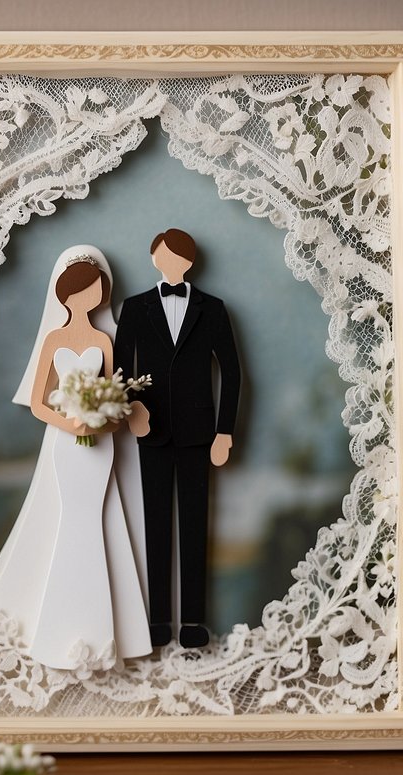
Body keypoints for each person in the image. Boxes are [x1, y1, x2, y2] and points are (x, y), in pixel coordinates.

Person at [0, 246, 152, 671]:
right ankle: (55, 631)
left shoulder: (103, 340)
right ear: (66, 295)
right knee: (70, 523)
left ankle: (101, 630)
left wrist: (103, 419)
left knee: (99, 523)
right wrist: (71, 422)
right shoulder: (55, 341)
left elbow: (116, 391)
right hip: (66, 443)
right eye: (85, 291)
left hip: (102, 443)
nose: (92, 298)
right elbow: (40, 402)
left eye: (98, 291)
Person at [113, 228, 241, 649]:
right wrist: (133, 409)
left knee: (194, 525)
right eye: (163, 256)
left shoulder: (214, 308)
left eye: (178, 257)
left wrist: (224, 431)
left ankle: (193, 623)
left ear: (189, 262)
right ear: (154, 259)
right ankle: (158, 621)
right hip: (149, 432)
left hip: (199, 435)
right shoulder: (134, 308)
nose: (171, 264)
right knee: (156, 525)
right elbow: (116, 371)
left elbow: (233, 373)